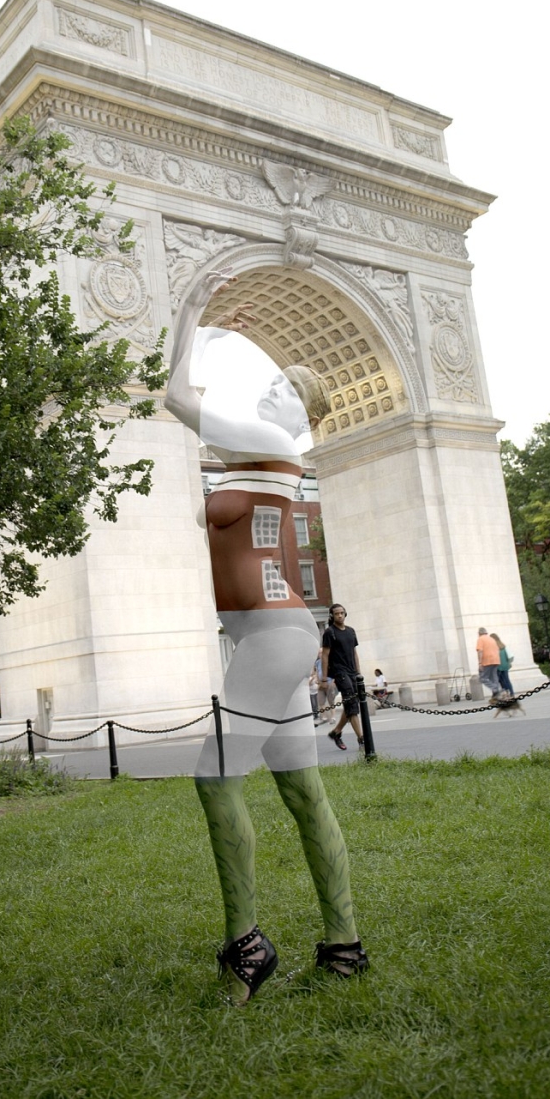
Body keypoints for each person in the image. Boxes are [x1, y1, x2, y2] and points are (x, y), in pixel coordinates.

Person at [164, 269, 368, 1005]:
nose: (271, 388)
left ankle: (245, 949)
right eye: (275, 379)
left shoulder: (266, 437)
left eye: (287, 388)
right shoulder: (254, 456)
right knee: (301, 790)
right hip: (276, 634)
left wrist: (191, 309)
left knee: (214, 779)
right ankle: (343, 944)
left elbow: (175, 397)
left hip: (272, 634)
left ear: (300, 416)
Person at [322, 605, 365, 750]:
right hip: (340, 673)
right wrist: (323, 678)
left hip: (353, 672)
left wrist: (358, 672)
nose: (340, 616)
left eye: (342, 613)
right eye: (336, 614)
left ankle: (336, 732)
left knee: (350, 705)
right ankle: (361, 739)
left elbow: (354, 652)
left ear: (345, 614)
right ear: (332, 616)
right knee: (352, 706)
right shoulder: (329, 633)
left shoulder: (351, 631)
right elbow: (325, 655)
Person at [475, 628, 501, 696]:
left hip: (487, 661)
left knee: (482, 678)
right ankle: (497, 692)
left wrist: (480, 663)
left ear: (479, 633)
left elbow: (480, 651)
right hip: (496, 660)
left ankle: (495, 689)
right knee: (494, 677)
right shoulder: (492, 639)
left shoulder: (480, 639)